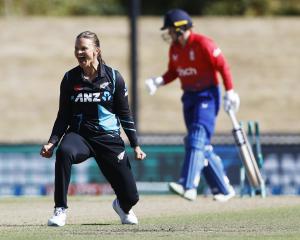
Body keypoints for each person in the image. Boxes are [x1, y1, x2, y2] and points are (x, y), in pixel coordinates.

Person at [40, 31, 146, 227]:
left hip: (108, 139)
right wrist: (52, 142)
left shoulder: (114, 78)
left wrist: (136, 145)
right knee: (64, 152)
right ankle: (60, 209)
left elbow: (125, 114)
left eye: (84, 48)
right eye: (76, 49)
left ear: (96, 51)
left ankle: (123, 206)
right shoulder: (69, 78)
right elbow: (63, 115)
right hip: (79, 136)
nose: (79, 52)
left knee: (132, 196)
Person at [145, 9, 240, 201]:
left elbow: (223, 66)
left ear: (181, 28)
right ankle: (224, 189)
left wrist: (230, 91)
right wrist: (159, 81)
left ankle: (188, 185)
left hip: (207, 95)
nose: (169, 34)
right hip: (189, 96)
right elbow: (174, 72)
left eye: (171, 30)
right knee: (199, 144)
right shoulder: (175, 49)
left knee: (197, 135)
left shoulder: (204, 44)